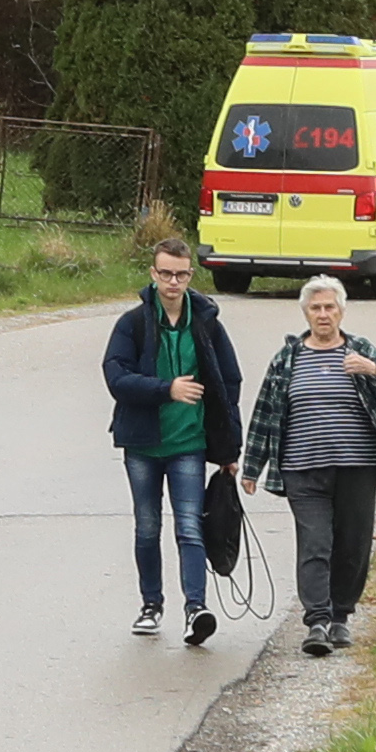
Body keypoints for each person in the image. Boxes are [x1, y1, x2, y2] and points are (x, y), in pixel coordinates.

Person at [247, 275, 376, 655]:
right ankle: (317, 622)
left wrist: (373, 372)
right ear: (305, 313)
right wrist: (250, 468)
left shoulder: (360, 351)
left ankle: (340, 617)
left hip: (357, 467)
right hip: (302, 469)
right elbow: (264, 413)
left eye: (330, 307)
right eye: (315, 308)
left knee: (352, 545)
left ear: (341, 311)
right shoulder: (287, 359)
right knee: (315, 543)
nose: (323, 314)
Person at [100, 242, 244, 644]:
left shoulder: (208, 324)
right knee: (147, 527)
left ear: (190, 276)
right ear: (153, 273)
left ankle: (195, 608)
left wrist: (228, 449)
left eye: (180, 274)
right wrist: (167, 389)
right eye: (166, 274)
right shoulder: (133, 324)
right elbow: (116, 378)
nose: (173, 282)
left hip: (189, 444)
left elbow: (228, 384)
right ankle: (151, 604)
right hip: (142, 445)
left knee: (190, 529)